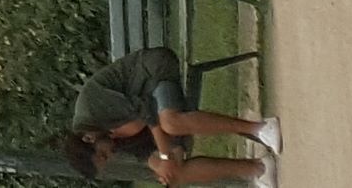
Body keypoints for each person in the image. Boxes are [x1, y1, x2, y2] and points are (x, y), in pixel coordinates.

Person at [52, 46, 276, 183]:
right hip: (154, 112)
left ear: (88, 138)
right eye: (106, 160)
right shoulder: (105, 138)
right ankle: (258, 168)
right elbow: (140, 151)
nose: (109, 156)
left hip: (154, 73)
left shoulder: (92, 107)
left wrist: (166, 155)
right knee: (175, 174)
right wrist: (161, 166)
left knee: (170, 123)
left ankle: (260, 128)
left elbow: (146, 109)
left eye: (103, 155)